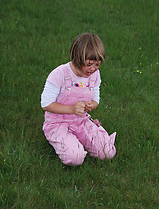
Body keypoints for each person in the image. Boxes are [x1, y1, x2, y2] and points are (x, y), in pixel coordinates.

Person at [41, 33, 116, 166]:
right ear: (76, 58)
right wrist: (71, 109)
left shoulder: (94, 75)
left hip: (80, 121)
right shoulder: (60, 74)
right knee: (75, 158)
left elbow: (96, 99)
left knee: (107, 152)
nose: (93, 69)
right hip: (58, 124)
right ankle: (60, 139)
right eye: (89, 64)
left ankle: (85, 137)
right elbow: (46, 104)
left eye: (97, 65)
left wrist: (91, 105)